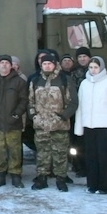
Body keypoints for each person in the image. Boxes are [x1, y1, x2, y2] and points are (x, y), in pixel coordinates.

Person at [28, 54, 78, 192]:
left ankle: (61, 179)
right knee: (42, 153)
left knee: (60, 154)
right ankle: (41, 179)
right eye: (44, 64)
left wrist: (63, 117)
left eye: (50, 63)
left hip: (59, 125)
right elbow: (30, 101)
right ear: (41, 65)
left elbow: (73, 102)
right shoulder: (35, 81)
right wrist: (34, 117)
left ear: (55, 64)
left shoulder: (64, 80)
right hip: (41, 125)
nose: (47, 66)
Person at [74, 56, 107, 194]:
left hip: (104, 126)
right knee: (90, 157)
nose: (93, 70)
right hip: (89, 126)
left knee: (104, 157)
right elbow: (80, 107)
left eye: (96, 67)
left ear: (101, 68)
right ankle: (92, 184)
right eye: (91, 67)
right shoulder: (84, 84)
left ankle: (105, 186)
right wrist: (79, 127)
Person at [0, 55, 29, 188]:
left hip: (13, 123)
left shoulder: (19, 82)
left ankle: (16, 175)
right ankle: (0, 175)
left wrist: (17, 114)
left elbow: (24, 100)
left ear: (11, 66)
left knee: (15, 150)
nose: (4, 65)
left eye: (7, 63)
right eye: (2, 63)